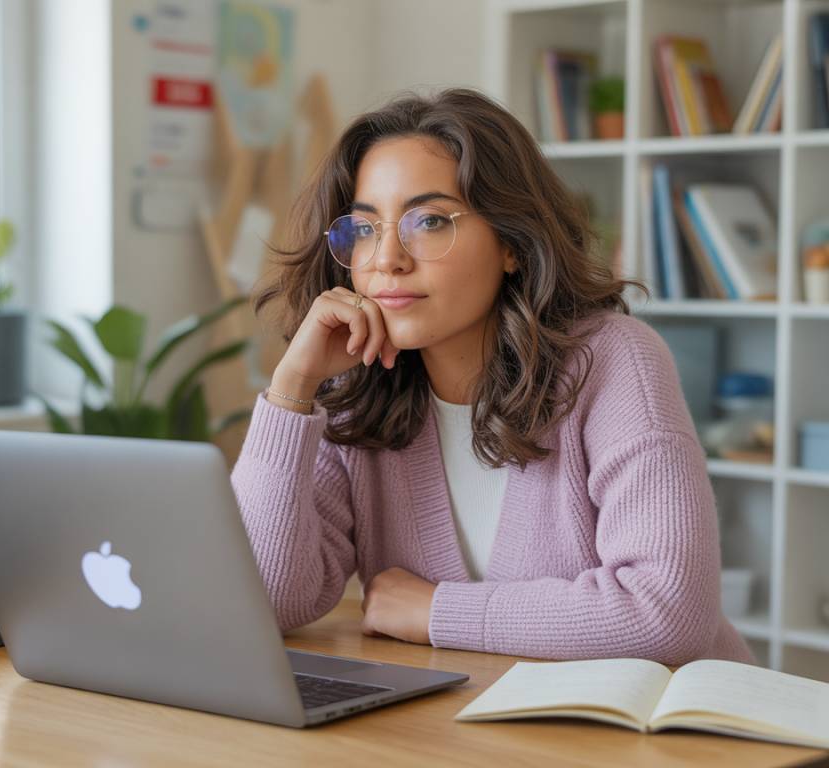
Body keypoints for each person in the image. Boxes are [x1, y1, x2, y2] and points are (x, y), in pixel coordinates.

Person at [229, 87, 755, 666]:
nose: (387, 260)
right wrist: (291, 391)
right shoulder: (355, 389)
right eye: (365, 228)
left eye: (427, 220)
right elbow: (263, 602)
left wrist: (436, 612)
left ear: (511, 241)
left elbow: (666, 615)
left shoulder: (615, 362)